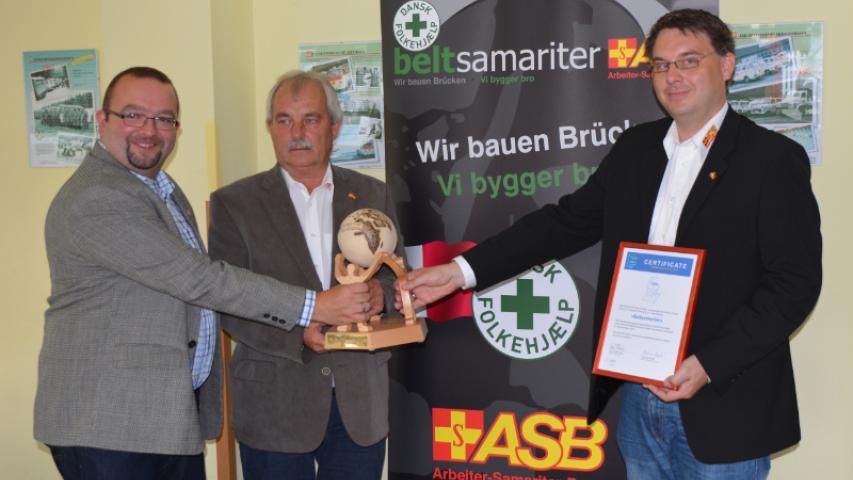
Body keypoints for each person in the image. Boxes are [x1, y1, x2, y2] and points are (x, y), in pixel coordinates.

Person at [400, 9, 821, 480]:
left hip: (724, 401)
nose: (673, 76)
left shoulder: (772, 160)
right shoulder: (635, 150)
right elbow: (563, 224)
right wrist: (459, 271)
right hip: (639, 401)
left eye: (688, 61)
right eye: (660, 65)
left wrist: (708, 364)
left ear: (726, 65)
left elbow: (794, 285)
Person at [35, 66, 375, 480]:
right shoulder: (99, 197)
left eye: (164, 119)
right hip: (108, 423)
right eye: (133, 115)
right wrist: (314, 306)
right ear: (102, 120)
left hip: (160, 420)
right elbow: (202, 279)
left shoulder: (161, 190)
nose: (149, 130)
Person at [208, 70, 399, 480]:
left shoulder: (374, 195)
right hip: (274, 405)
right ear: (269, 128)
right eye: (284, 120)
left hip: (359, 404)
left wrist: (380, 297)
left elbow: (397, 277)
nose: (296, 133)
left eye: (310, 119)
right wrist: (297, 334)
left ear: (335, 128)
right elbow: (226, 299)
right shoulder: (234, 204)